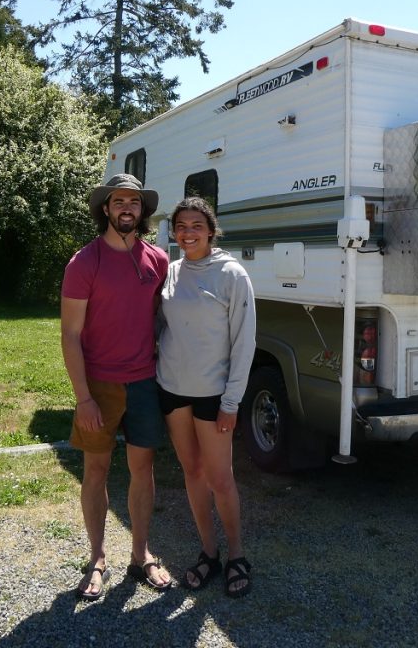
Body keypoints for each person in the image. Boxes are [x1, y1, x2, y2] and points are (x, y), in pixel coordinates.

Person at [60, 173, 173, 601]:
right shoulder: (84, 263)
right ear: (105, 208)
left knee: (143, 471)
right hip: (100, 387)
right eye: (118, 201)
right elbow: (70, 334)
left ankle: (141, 555)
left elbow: (164, 319)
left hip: (145, 382)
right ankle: (96, 559)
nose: (127, 208)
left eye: (134, 202)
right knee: (96, 470)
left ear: (142, 211)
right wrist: (83, 397)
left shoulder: (157, 260)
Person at [157, 197, 257, 598]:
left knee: (220, 478)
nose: (188, 232)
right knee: (192, 472)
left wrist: (231, 402)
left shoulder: (231, 274)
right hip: (172, 391)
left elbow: (244, 342)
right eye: (181, 226)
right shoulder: (171, 271)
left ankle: (236, 556)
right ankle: (209, 552)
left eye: (196, 225)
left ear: (211, 230)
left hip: (212, 397)